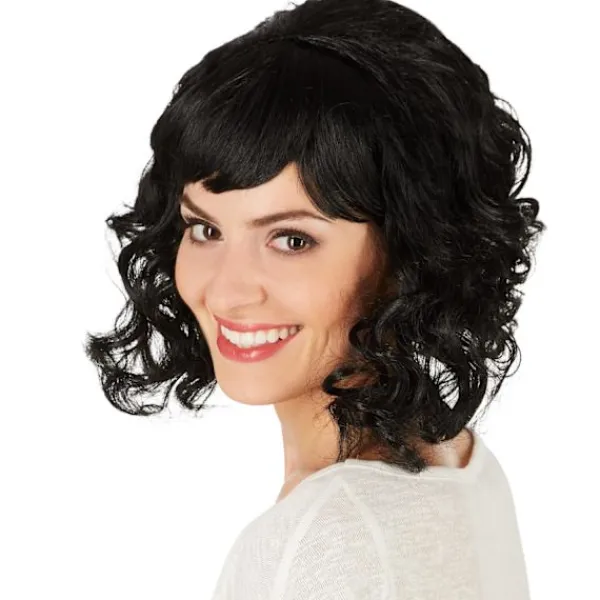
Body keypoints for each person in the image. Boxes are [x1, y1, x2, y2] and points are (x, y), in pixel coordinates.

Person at [84, 0, 546, 597]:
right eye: (205, 229)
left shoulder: (320, 539)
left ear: (409, 254)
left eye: (291, 239)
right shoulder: (460, 461)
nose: (226, 289)